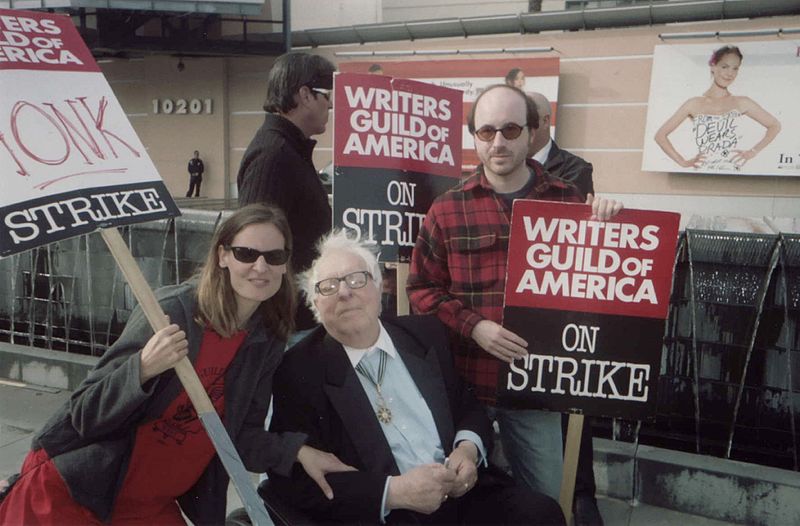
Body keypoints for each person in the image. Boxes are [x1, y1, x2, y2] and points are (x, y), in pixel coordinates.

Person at [0, 204, 353, 525]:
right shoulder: (173, 312)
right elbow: (82, 414)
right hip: (76, 493)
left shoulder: (267, 338)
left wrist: (297, 452)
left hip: (151, 506)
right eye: (247, 253)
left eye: (274, 256)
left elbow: (239, 436)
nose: (260, 267)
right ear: (223, 256)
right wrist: (142, 369)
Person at [407, 84, 622, 517]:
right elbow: (421, 290)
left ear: (533, 132)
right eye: (486, 132)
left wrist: (611, 224)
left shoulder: (569, 201)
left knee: (545, 504)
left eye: (509, 129)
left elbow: (598, 285)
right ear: (474, 137)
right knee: (460, 503)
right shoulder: (447, 209)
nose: (498, 142)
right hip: (467, 387)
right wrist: (475, 327)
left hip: (536, 388)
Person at [267, 230, 565, 525]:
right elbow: (294, 482)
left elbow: (467, 405)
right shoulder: (298, 371)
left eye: (356, 279)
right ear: (315, 305)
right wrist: (392, 493)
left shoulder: (425, 334)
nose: (345, 292)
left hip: (462, 495)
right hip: (390, 514)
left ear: (378, 287)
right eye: (328, 287)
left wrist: (468, 449)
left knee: (541, 513)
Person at [527, 91, 603, 525]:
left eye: (529, 122)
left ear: (544, 121)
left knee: (573, 400)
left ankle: (580, 492)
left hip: (560, 300)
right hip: (521, 298)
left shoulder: (575, 169)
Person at [237, 52, 336, 345]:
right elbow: (253, 249)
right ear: (305, 95)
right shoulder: (274, 156)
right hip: (283, 329)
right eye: (326, 95)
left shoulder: (287, 151)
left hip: (295, 320)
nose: (330, 104)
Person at [654, 45, 781, 171]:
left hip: (736, 171)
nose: (730, 73)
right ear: (713, 67)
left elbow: (775, 125)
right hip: (702, 172)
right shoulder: (693, 103)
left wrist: (753, 152)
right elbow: (660, 135)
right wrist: (683, 162)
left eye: (735, 68)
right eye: (724, 67)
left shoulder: (742, 102)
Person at [528, 92, 594, 198]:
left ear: (545, 121)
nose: (520, 127)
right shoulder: (505, 163)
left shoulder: (576, 169)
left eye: (526, 119)